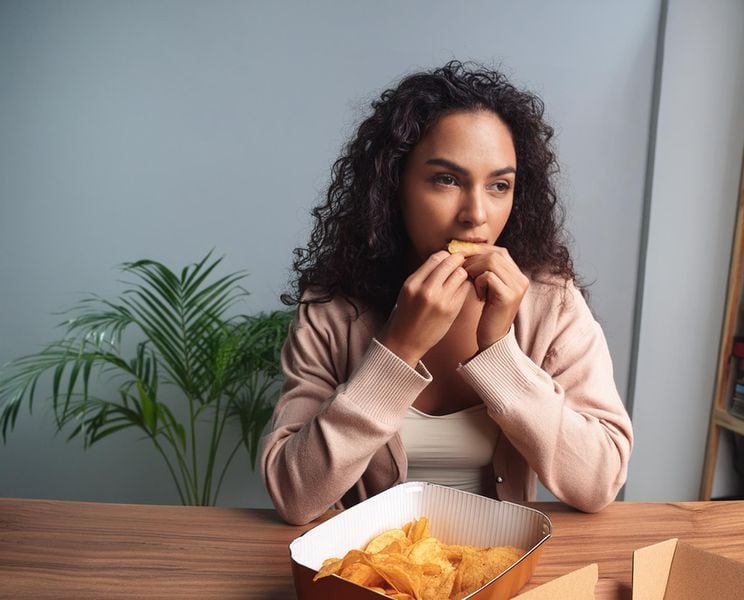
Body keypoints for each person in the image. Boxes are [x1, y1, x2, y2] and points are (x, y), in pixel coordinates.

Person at [261, 61, 633, 526]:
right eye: (447, 179)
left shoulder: (550, 302)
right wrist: (396, 350)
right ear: (393, 184)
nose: (476, 214)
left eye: (499, 185)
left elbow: (599, 481)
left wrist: (501, 354)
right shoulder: (334, 309)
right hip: (378, 562)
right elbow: (294, 495)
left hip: (502, 559)